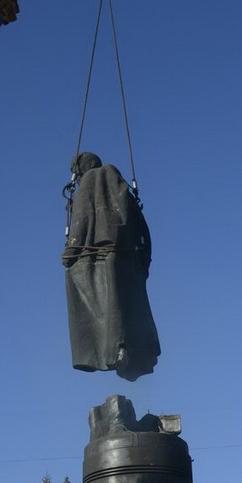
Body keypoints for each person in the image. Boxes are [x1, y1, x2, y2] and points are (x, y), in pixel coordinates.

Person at [62, 152, 160, 381]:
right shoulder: (119, 183)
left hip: (97, 257)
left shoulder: (89, 181)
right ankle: (136, 352)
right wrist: (144, 262)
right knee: (128, 305)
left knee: (97, 304)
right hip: (127, 257)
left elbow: (82, 216)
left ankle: (113, 351)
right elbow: (143, 227)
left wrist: (72, 250)